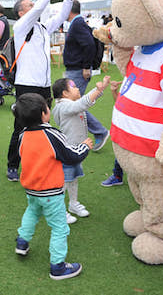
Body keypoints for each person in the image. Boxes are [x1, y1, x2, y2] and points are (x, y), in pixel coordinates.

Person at [6, 0, 77, 182]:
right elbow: (39, 8)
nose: (34, 7)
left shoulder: (43, 27)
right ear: (21, 12)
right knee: (21, 126)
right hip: (26, 84)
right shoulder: (20, 27)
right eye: (29, 5)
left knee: (44, 124)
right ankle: (12, 165)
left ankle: (40, 161)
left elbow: (63, 15)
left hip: (44, 85)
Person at [12, 93, 90, 280]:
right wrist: (84, 146)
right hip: (51, 191)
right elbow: (71, 156)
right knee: (59, 228)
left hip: (32, 189)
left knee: (32, 212)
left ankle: (22, 242)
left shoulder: (22, 135)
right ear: (43, 114)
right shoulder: (51, 134)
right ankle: (58, 266)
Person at [52, 75, 110, 223]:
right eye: (73, 87)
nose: (77, 88)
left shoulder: (70, 103)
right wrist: (98, 90)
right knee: (64, 182)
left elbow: (81, 104)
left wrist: (99, 90)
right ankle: (58, 211)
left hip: (77, 150)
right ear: (64, 93)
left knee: (74, 178)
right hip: (68, 152)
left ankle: (73, 204)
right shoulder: (63, 106)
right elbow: (82, 104)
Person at [63, 0, 110, 151]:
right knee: (74, 105)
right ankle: (92, 133)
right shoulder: (77, 23)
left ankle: (100, 132)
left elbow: (89, 44)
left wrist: (85, 67)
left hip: (78, 69)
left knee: (75, 105)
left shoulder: (77, 24)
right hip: (75, 69)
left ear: (69, 10)